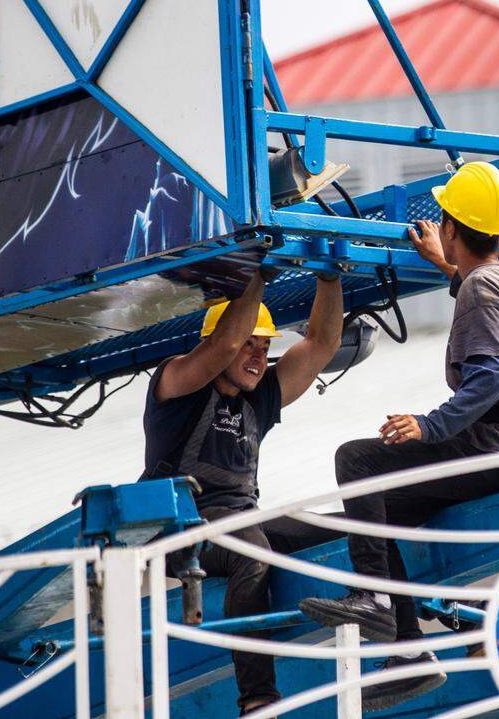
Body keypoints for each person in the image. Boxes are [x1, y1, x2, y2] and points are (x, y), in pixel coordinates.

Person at [298, 161, 499, 711]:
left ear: (453, 224)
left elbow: (492, 374)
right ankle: (409, 650)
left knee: (358, 462)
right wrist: (446, 263)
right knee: (377, 504)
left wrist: (431, 425)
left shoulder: (482, 289)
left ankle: (375, 598)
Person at [141, 268, 343, 716]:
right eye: (251, 343)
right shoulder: (176, 385)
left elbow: (321, 344)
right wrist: (257, 272)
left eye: (266, 346)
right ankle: (257, 698)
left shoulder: (259, 397)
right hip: (179, 532)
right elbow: (224, 346)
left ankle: (404, 629)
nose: (257, 356)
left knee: (345, 528)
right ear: (213, 345)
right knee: (252, 552)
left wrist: (330, 279)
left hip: (240, 520)